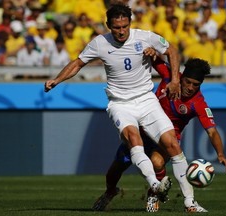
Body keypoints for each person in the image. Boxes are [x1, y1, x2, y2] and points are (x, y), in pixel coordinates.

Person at [44, 3, 186, 207]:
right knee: (120, 162)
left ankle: (177, 197)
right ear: (108, 26)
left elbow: (171, 50)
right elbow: (77, 63)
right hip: (121, 104)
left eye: (125, 26)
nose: (121, 31)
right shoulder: (99, 43)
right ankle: (121, 190)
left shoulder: (145, 37)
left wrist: (174, 81)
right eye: (116, 28)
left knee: (168, 147)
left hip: (146, 101)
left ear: (130, 23)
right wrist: (56, 80)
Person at [92, 56, 226, 213]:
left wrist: (220, 153)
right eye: (188, 82)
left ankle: (156, 194)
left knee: (157, 162)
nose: (191, 87)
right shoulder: (170, 76)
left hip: (166, 139)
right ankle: (110, 191)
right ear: (181, 77)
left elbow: (212, 131)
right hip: (142, 131)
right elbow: (154, 59)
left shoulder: (198, 103)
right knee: (115, 170)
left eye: (196, 85)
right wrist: (151, 51)